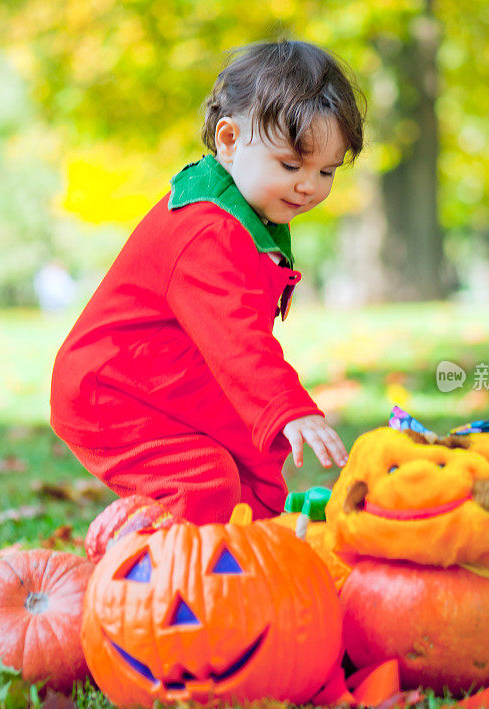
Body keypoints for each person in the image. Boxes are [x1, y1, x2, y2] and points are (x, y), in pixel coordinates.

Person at [50, 39, 365, 524]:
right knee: (206, 481)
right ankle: (142, 573)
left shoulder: (251, 216)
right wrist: (290, 407)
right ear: (229, 140)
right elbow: (237, 340)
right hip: (114, 391)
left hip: (171, 379)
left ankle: (258, 546)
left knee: (256, 458)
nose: (309, 185)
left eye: (326, 171)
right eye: (290, 165)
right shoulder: (207, 231)